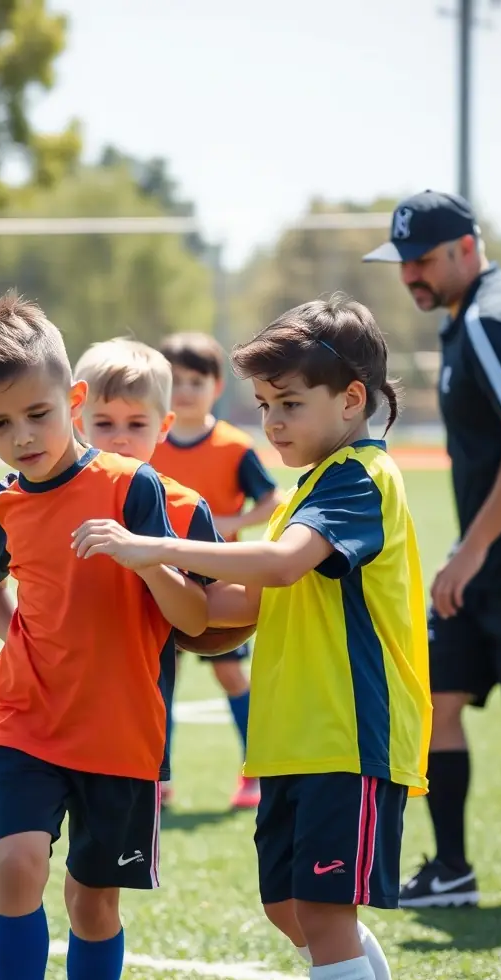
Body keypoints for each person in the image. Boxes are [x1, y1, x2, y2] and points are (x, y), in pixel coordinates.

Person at [72, 296, 432, 980]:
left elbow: (279, 565)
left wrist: (158, 547)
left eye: (289, 404)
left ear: (352, 399)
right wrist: (159, 597)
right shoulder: (307, 485)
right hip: (293, 739)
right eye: (264, 403)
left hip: (349, 736)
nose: (271, 423)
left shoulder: (360, 476)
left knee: (326, 916)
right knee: (288, 910)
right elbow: (242, 605)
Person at [0, 292, 207, 980]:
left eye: (38, 414)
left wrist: (146, 559)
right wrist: (21, 637)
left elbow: (194, 618)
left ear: (74, 398)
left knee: (93, 902)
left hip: (120, 732)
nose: (22, 436)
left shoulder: (135, 488)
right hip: (25, 719)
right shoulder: (0, 507)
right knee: (19, 865)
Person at [364, 189, 501, 904]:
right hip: (489, 559)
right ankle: (451, 869)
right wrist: (473, 549)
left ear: (467, 248)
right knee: (438, 699)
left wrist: (475, 546)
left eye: (421, 260)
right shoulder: (496, 307)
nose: (409, 276)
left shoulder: (491, 316)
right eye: (402, 262)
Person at [73, 337, 224, 805]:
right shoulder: (45, 495)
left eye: (137, 423)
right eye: (104, 423)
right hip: (53, 705)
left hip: (136, 713)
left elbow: (203, 615)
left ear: (165, 426)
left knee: (101, 872)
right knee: (28, 850)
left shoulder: (185, 508)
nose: (120, 437)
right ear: (77, 419)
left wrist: (151, 561)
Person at [151, 331, 281, 809]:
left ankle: (255, 771)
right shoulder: (152, 441)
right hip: (161, 581)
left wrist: (233, 521)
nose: (185, 390)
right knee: (160, 680)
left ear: (217, 385)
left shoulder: (233, 445)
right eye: (175, 380)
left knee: (231, 676)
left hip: (220, 586)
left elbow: (272, 499)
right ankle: (157, 777)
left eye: (196, 379)